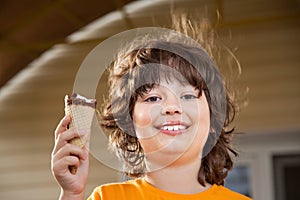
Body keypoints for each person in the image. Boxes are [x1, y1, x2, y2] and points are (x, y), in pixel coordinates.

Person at [51, 15, 251, 200]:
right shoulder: (108, 197)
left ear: (213, 120)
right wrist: (71, 193)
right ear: (128, 122)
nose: (172, 107)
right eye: (153, 98)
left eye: (188, 95)